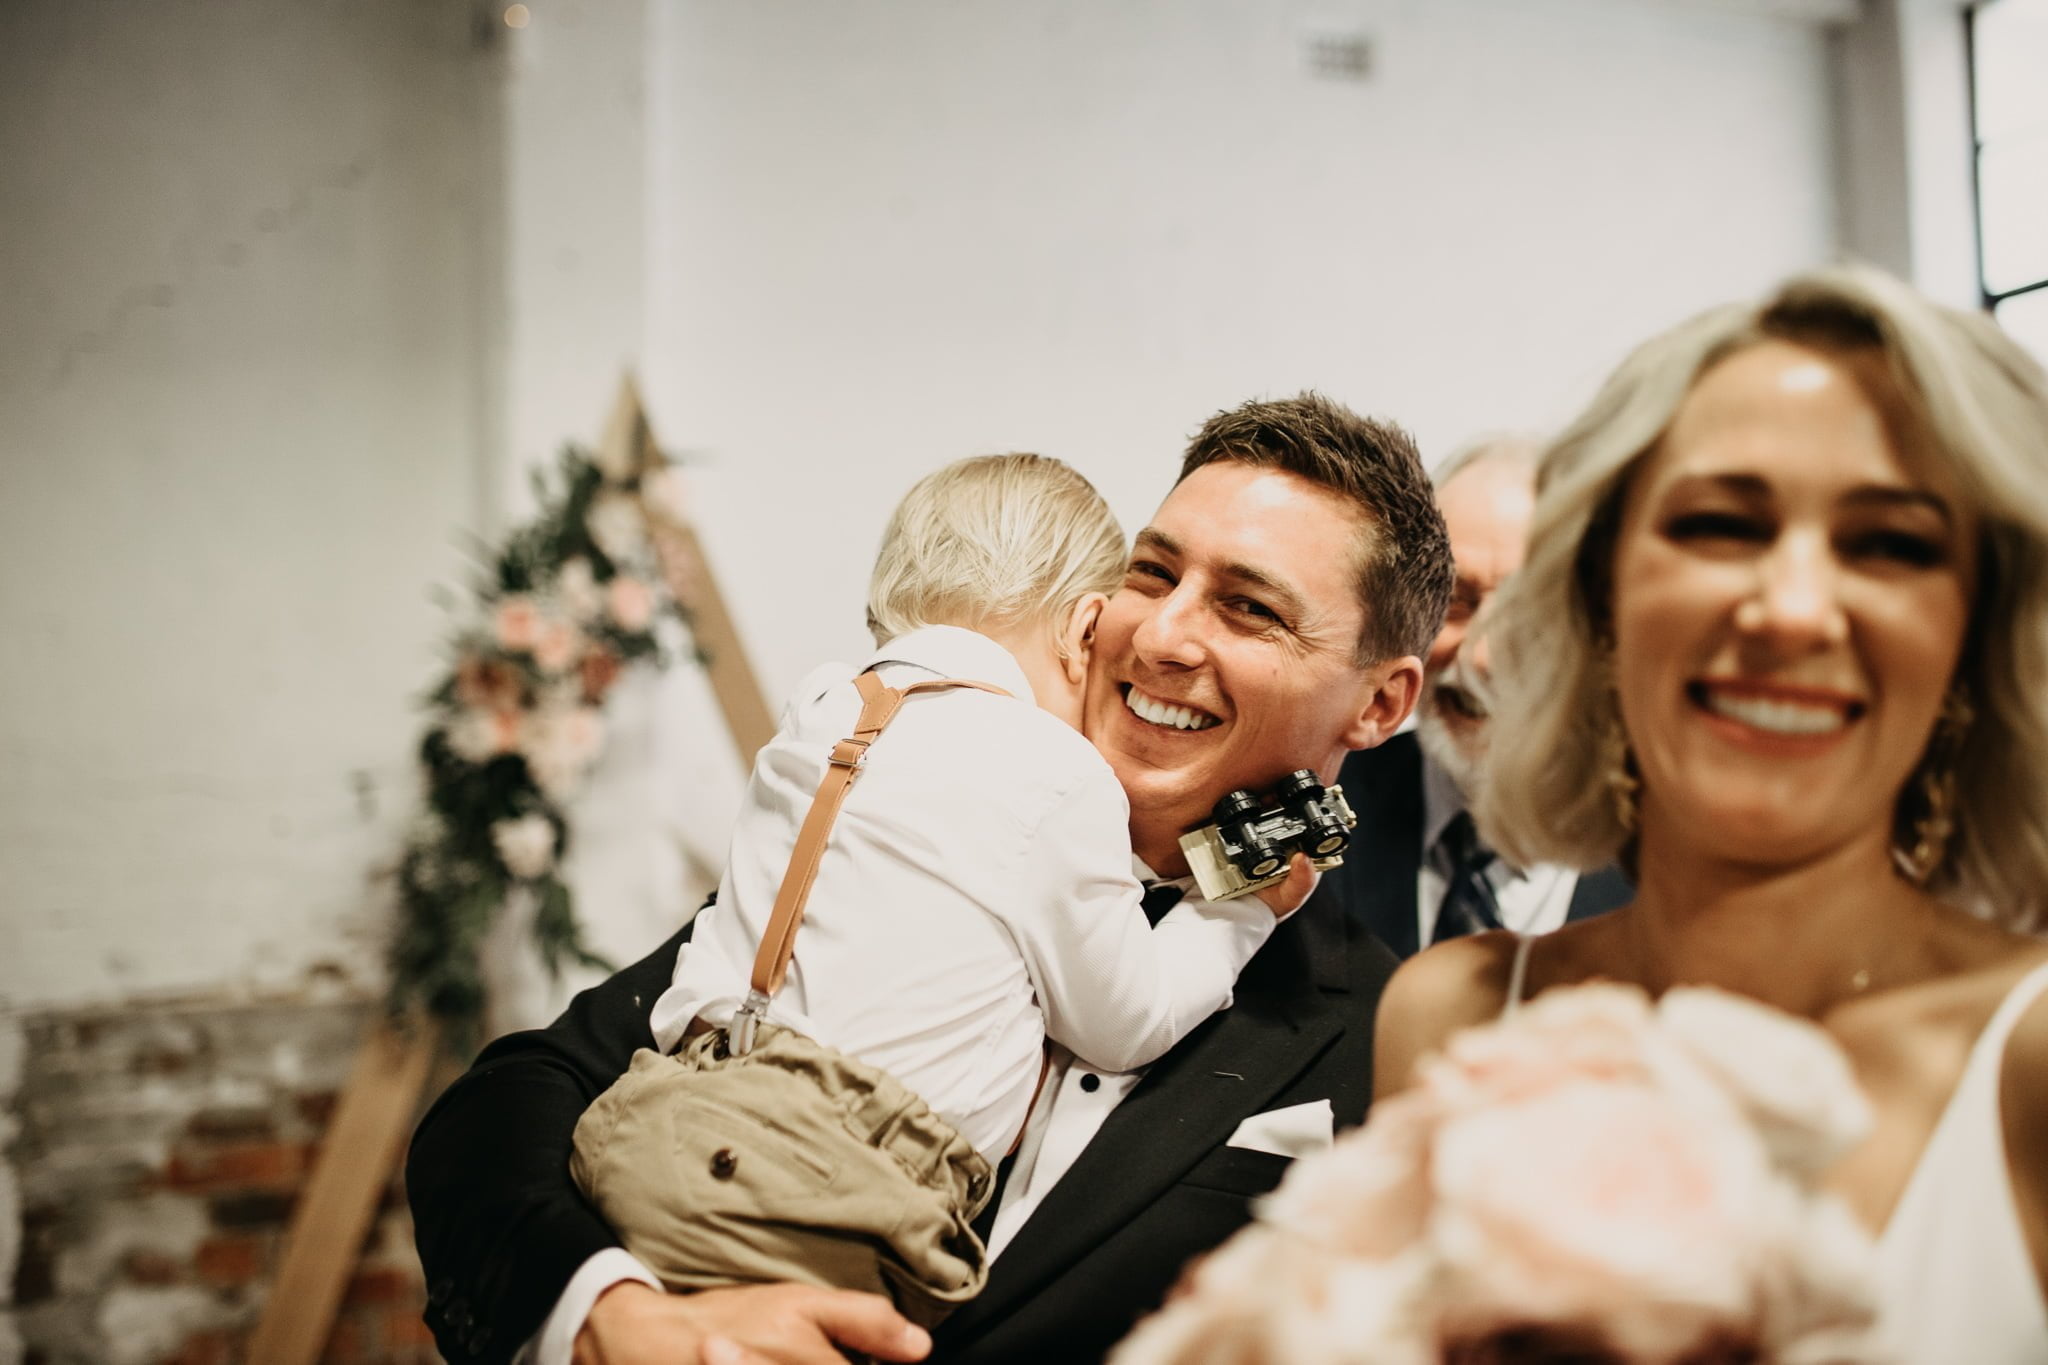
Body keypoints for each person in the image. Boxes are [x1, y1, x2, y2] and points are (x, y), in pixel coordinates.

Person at [406, 392, 1453, 1365]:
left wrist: (1237, 911)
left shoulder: (1386, 1042)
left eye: (1250, 608)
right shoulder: (882, 837)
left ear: (1378, 704)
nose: (1163, 633)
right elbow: (502, 1110)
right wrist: (611, 1316)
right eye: (1150, 572)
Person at [1375, 265, 2048, 1362]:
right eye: (1721, 525)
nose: (1790, 610)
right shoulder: (1449, 1019)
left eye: (1888, 544)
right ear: (1598, 597)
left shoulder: (2028, 1064)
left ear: (1973, 634)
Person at [569, 453, 1307, 1325]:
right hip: (835, 1190)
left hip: (662, 1128)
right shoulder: (1054, 770)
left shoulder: (820, 712)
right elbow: (1125, 1022)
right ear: (1085, 628)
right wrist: (1244, 909)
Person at [1332, 437, 1629, 957]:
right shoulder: (1318, 806)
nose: (1483, 656)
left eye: (1529, 610)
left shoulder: (1680, 848)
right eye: (1453, 601)